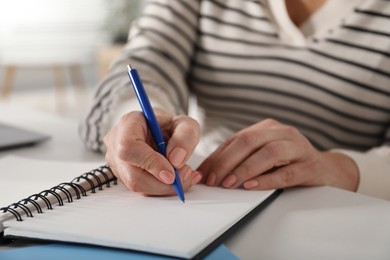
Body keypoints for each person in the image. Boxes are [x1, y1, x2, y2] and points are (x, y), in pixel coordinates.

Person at [80, 0, 390, 200]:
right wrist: (140, 122)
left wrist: (334, 167)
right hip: (208, 191)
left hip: (335, 211)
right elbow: (146, 60)